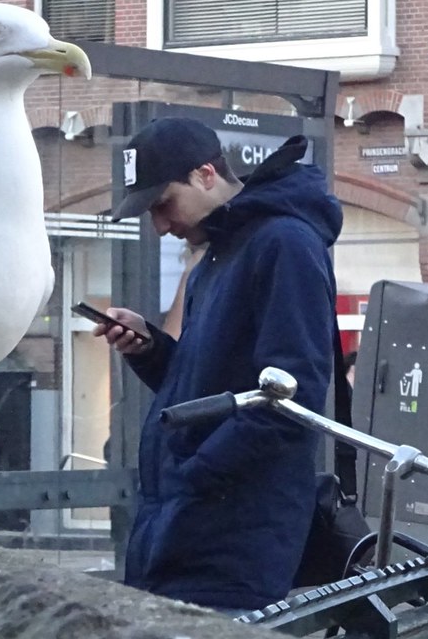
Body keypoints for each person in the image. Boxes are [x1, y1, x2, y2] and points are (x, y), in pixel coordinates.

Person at [98, 117, 341, 612]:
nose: (161, 226)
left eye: (163, 204)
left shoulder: (283, 244)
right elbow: (208, 388)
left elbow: (293, 402)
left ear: (206, 175)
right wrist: (151, 350)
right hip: (188, 536)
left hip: (230, 546)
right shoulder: (220, 254)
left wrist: (191, 477)